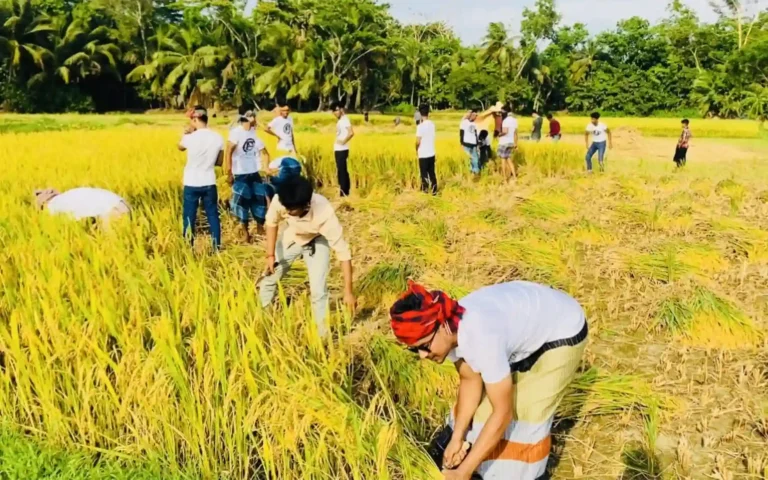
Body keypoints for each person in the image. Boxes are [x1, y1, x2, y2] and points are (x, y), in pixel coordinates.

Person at [389, 280, 588, 480]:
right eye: (415, 349)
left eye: (424, 346)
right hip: (528, 319)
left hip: (563, 329)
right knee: (482, 413)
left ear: (443, 327)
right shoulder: (451, 327)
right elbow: (470, 381)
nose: (423, 355)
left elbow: (503, 413)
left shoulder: (481, 339)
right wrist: (457, 437)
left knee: (526, 417)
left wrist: (464, 472)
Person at [259, 176, 356, 337]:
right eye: (286, 208)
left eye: (292, 210)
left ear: (306, 205)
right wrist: (270, 255)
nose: (287, 211)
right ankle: (263, 320)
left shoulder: (323, 212)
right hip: (293, 236)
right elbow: (271, 223)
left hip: (317, 240)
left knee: (318, 290)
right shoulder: (282, 200)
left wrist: (348, 292)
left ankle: (322, 336)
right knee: (269, 278)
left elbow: (343, 254)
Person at [178, 106, 224, 250]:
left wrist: (187, 132)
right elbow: (219, 162)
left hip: (191, 182)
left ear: (195, 119)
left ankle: (188, 247)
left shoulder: (190, 137)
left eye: (191, 120)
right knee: (213, 215)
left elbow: (180, 147)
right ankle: (216, 248)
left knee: (189, 216)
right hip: (209, 181)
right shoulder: (218, 137)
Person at [225, 104, 271, 243]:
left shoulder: (253, 132)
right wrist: (229, 173)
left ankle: (260, 228)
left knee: (259, 200)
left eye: (254, 115)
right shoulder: (236, 132)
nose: (254, 117)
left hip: (254, 172)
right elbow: (228, 152)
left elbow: (265, 152)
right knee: (241, 203)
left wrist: (266, 167)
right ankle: (245, 232)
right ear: (245, 117)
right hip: (240, 174)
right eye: (252, 115)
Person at [34, 187, 130, 226]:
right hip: (123, 204)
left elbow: (72, 227)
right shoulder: (69, 194)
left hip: (112, 212)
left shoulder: (53, 206)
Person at [332, 102, 355, 197]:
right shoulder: (341, 120)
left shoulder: (345, 119)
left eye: (337, 110)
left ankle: (344, 192)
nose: (335, 112)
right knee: (341, 170)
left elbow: (351, 133)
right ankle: (344, 191)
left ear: (341, 109)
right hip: (338, 149)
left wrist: (343, 142)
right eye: (334, 111)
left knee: (342, 171)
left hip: (342, 149)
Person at [416, 103, 437, 195]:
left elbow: (418, 141)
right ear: (428, 113)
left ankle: (425, 191)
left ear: (420, 113)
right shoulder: (432, 124)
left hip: (423, 154)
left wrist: (416, 149)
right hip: (431, 153)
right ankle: (434, 191)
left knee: (424, 174)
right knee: (432, 173)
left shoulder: (420, 127)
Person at [497, 109, 518, 182]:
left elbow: (505, 132)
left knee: (503, 161)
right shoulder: (515, 121)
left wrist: (498, 135)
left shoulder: (505, 121)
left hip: (503, 142)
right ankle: (515, 177)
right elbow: (515, 133)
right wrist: (515, 144)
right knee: (509, 160)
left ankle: (505, 179)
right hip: (511, 142)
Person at [459, 110, 480, 175]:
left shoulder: (475, 124)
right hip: (466, 143)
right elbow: (461, 133)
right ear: (471, 115)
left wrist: (477, 144)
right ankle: (470, 171)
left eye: (476, 116)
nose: (475, 117)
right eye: (474, 115)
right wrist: (461, 143)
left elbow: (476, 134)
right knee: (468, 158)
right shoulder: (464, 122)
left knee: (475, 158)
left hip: (474, 144)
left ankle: (476, 171)